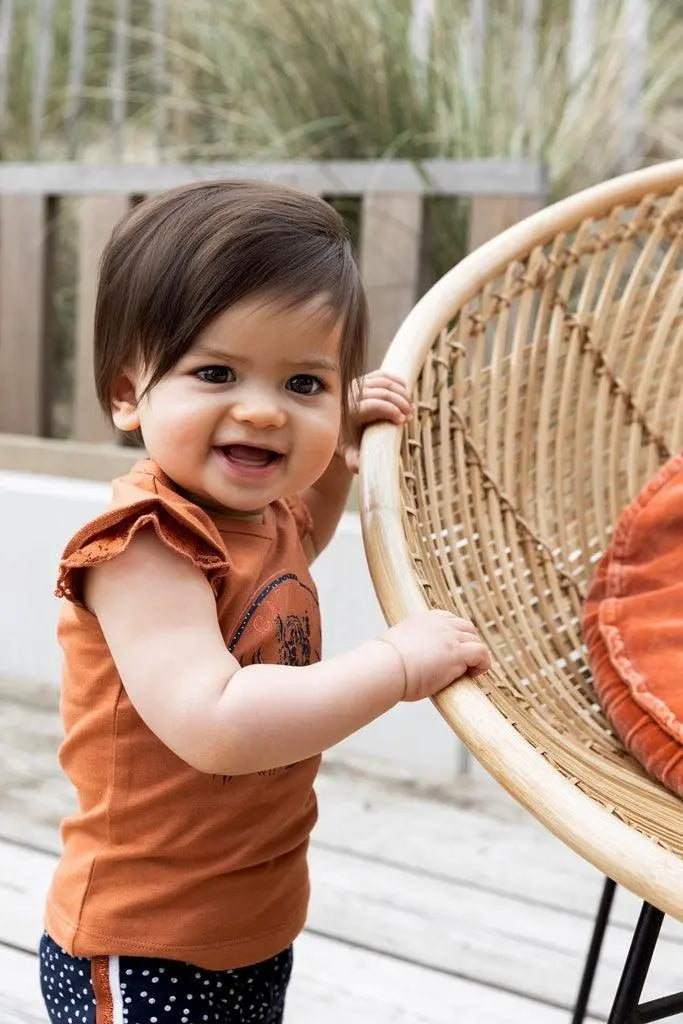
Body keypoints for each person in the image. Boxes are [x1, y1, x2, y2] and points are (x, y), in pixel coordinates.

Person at [39, 180, 490, 1024]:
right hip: (145, 943)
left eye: (303, 383)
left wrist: (344, 432)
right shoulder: (144, 546)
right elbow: (216, 721)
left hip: (249, 922)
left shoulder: (263, 516)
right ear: (129, 392)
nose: (262, 411)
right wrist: (393, 666)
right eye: (215, 373)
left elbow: (302, 531)